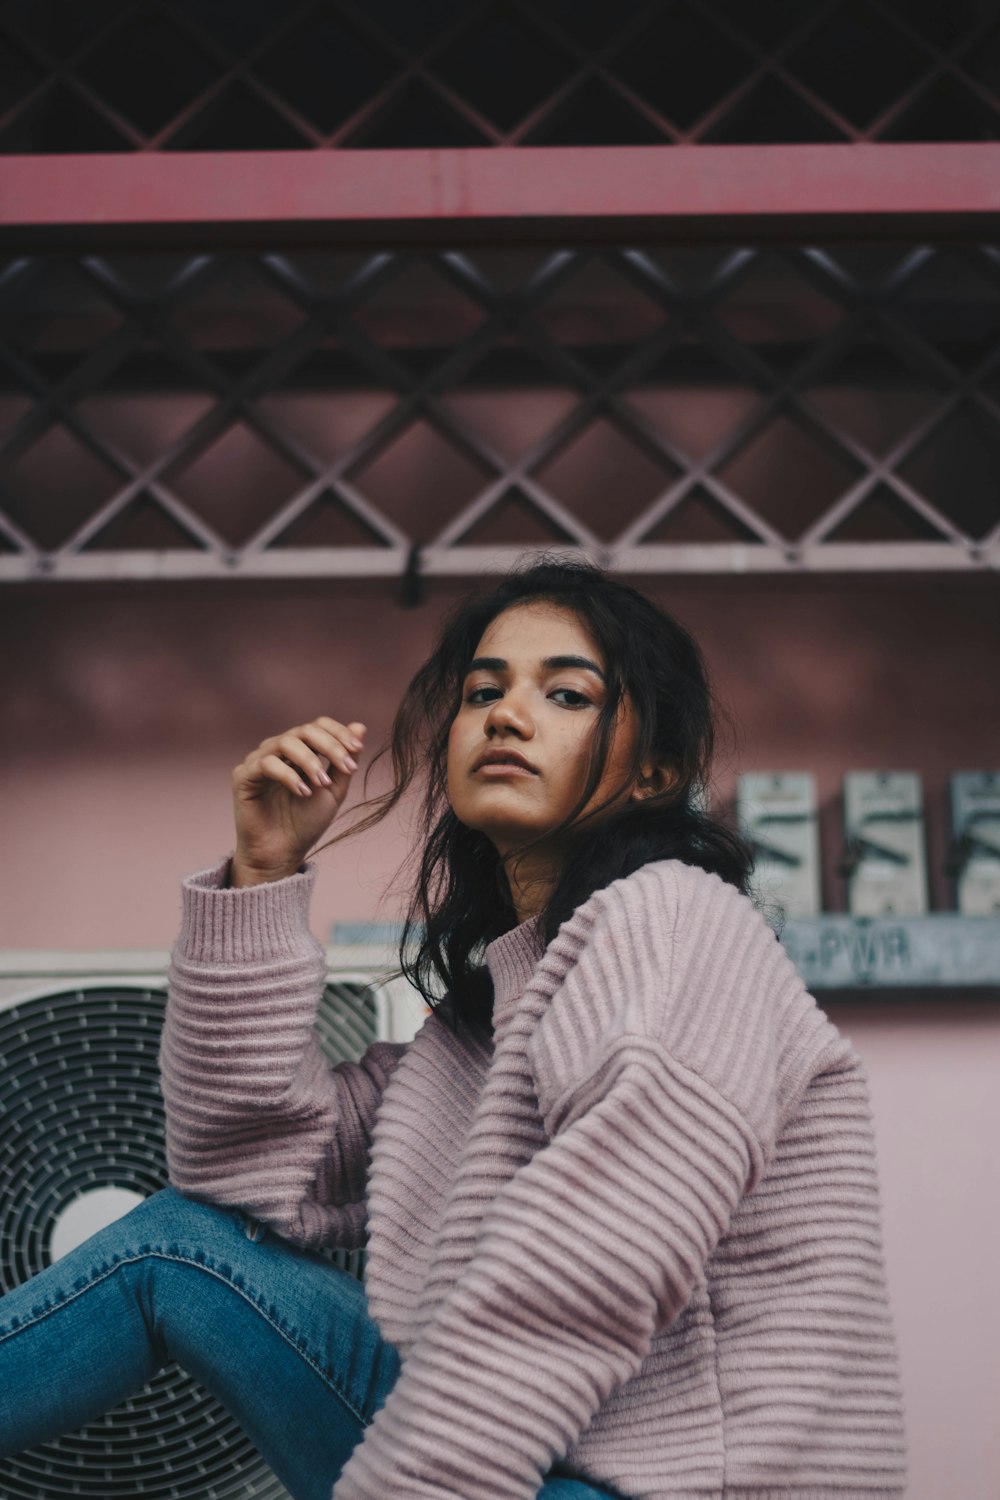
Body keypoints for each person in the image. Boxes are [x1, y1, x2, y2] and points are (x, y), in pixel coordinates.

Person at [0, 559, 907, 1499]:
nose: (506, 716)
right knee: (176, 1246)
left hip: (665, 1490)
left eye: (566, 693)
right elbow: (248, 1171)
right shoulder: (475, 1032)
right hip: (531, 1470)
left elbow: (587, 1264)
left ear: (657, 771)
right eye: (483, 692)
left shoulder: (674, 919)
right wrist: (264, 871)